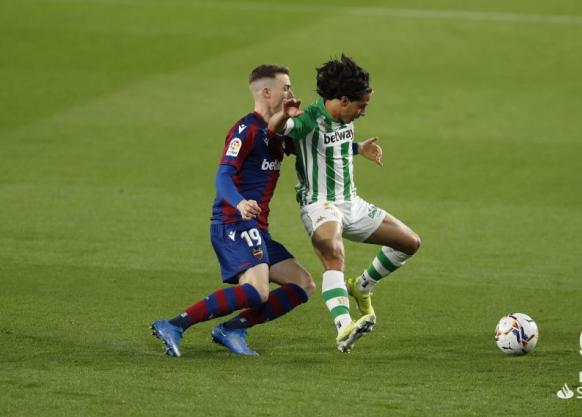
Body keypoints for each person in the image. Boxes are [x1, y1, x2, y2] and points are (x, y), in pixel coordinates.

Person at [151, 65, 315, 357]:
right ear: (267, 92)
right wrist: (239, 203)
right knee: (257, 291)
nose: (291, 92)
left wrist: (352, 146)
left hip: (257, 230)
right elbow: (223, 176)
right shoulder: (246, 129)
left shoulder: (278, 133)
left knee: (303, 284)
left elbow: (312, 148)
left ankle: (233, 329)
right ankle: (174, 325)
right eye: (286, 87)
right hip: (233, 223)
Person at [269, 54, 421, 353]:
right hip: (319, 204)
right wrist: (285, 115)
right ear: (341, 100)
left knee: (410, 242)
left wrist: (358, 148)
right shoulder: (308, 119)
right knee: (334, 254)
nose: (363, 112)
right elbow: (277, 128)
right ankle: (343, 327)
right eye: (361, 106)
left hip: (352, 203)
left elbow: (333, 145)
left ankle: (361, 287)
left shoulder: (344, 118)